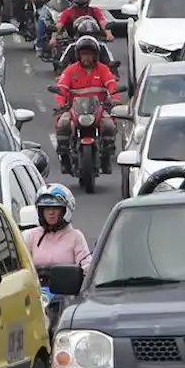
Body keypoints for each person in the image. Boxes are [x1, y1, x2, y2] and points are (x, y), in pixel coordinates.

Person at [54, 37, 120, 174]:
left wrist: (115, 99)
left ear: (95, 55)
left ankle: (106, 159)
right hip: (74, 109)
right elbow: (61, 89)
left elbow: (111, 84)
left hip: (98, 109)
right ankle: (65, 160)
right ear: (78, 55)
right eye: (84, 54)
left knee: (109, 126)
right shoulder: (70, 71)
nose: (86, 57)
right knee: (62, 125)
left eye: (89, 54)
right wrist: (61, 103)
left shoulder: (103, 69)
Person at [22, 184, 92, 271]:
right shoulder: (30, 236)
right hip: (35, 284)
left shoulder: (76, 236)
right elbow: (21, 268)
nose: (51, 212)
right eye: (47, 208)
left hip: (67, 284)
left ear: (65, 211)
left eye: (55, 208)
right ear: (40, 211)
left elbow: (87, 266)